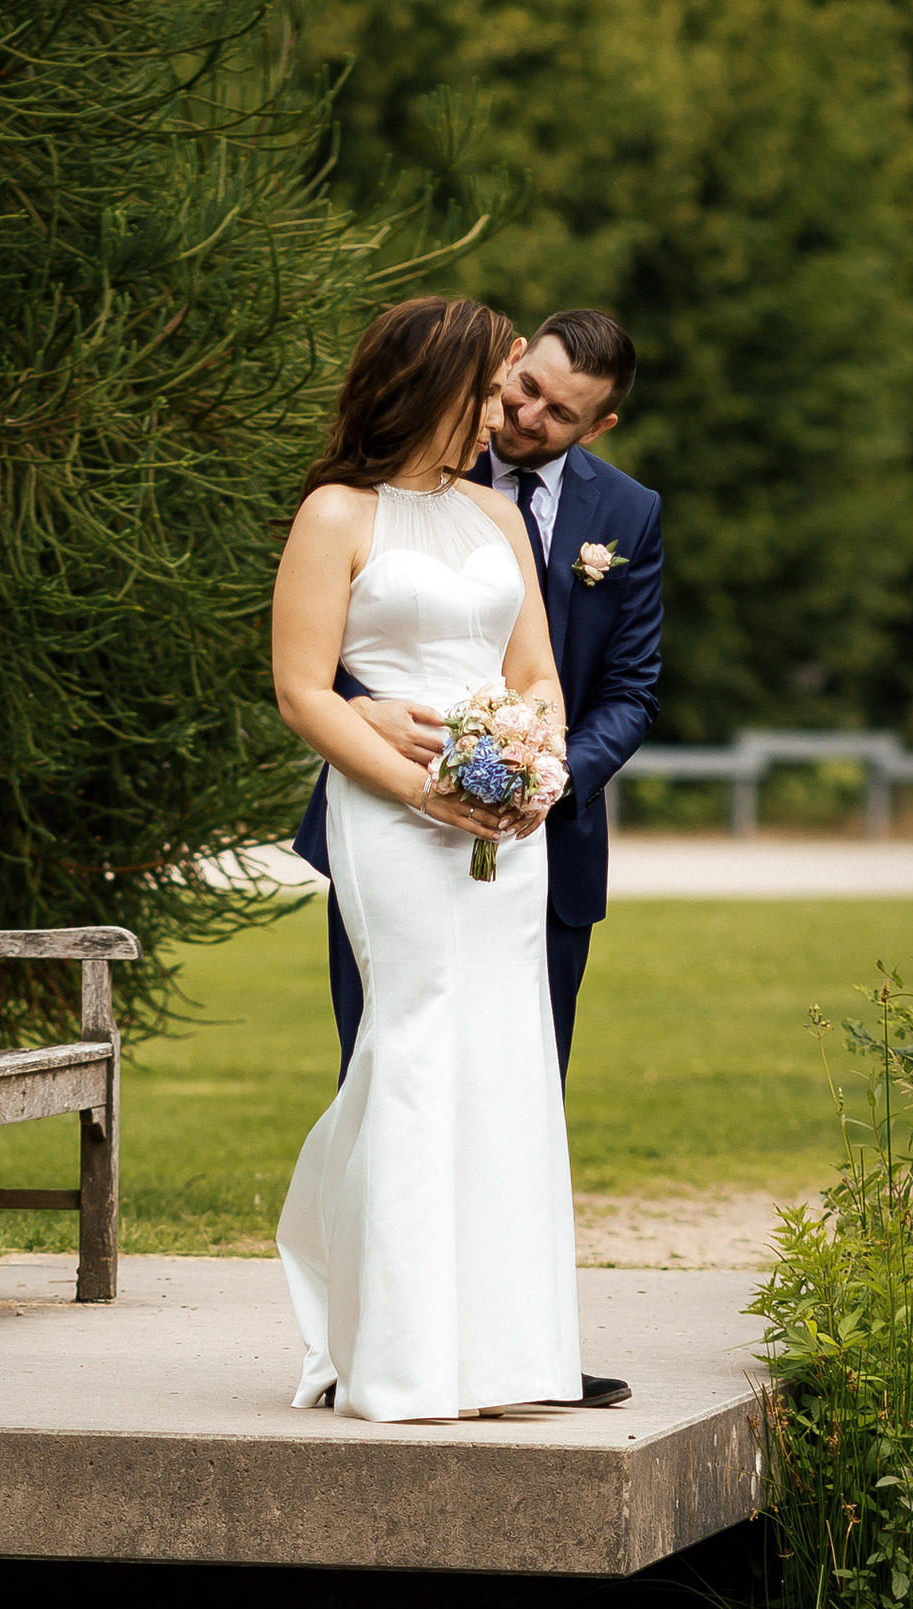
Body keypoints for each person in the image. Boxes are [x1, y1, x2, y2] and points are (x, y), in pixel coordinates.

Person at [271, 296, 591, 1425]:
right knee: (412, 1043)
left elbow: (535, 669)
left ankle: (503, 1358)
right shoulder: (336, 513)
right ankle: (398, 1357)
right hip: (392, 815)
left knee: (503, 1057)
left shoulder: (495, 516)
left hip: (507, 827)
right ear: (434, 383)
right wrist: (425, 788)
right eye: (495, 386)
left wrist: (533, 755)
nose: (507, 408)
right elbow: (304, 690)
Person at [293, 311, 664, 1089]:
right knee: (388, 1063)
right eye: (521, 389)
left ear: (598, 427)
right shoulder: (356, 502)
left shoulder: (627, 514)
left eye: (559, 412)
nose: (520, 417)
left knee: (521, 1076)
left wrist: (537, 773)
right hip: (390, 807)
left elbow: (627, 689)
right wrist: (360, 708)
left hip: (543, 835)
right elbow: (318, 652)